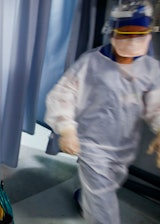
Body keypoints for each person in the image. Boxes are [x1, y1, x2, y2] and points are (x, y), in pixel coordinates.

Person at [44, 1, 160, 223]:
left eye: (140, 34)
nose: (132, 40)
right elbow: (63, 94)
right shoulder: (92, 62)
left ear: (148, 34)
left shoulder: (150, 69)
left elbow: (157, 104)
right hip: (92, 144)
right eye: (126, 34)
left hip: (125, 146)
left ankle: (85, 198)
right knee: (102, 201)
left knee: (105, 186)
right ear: (113, 32)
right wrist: (66, 128)